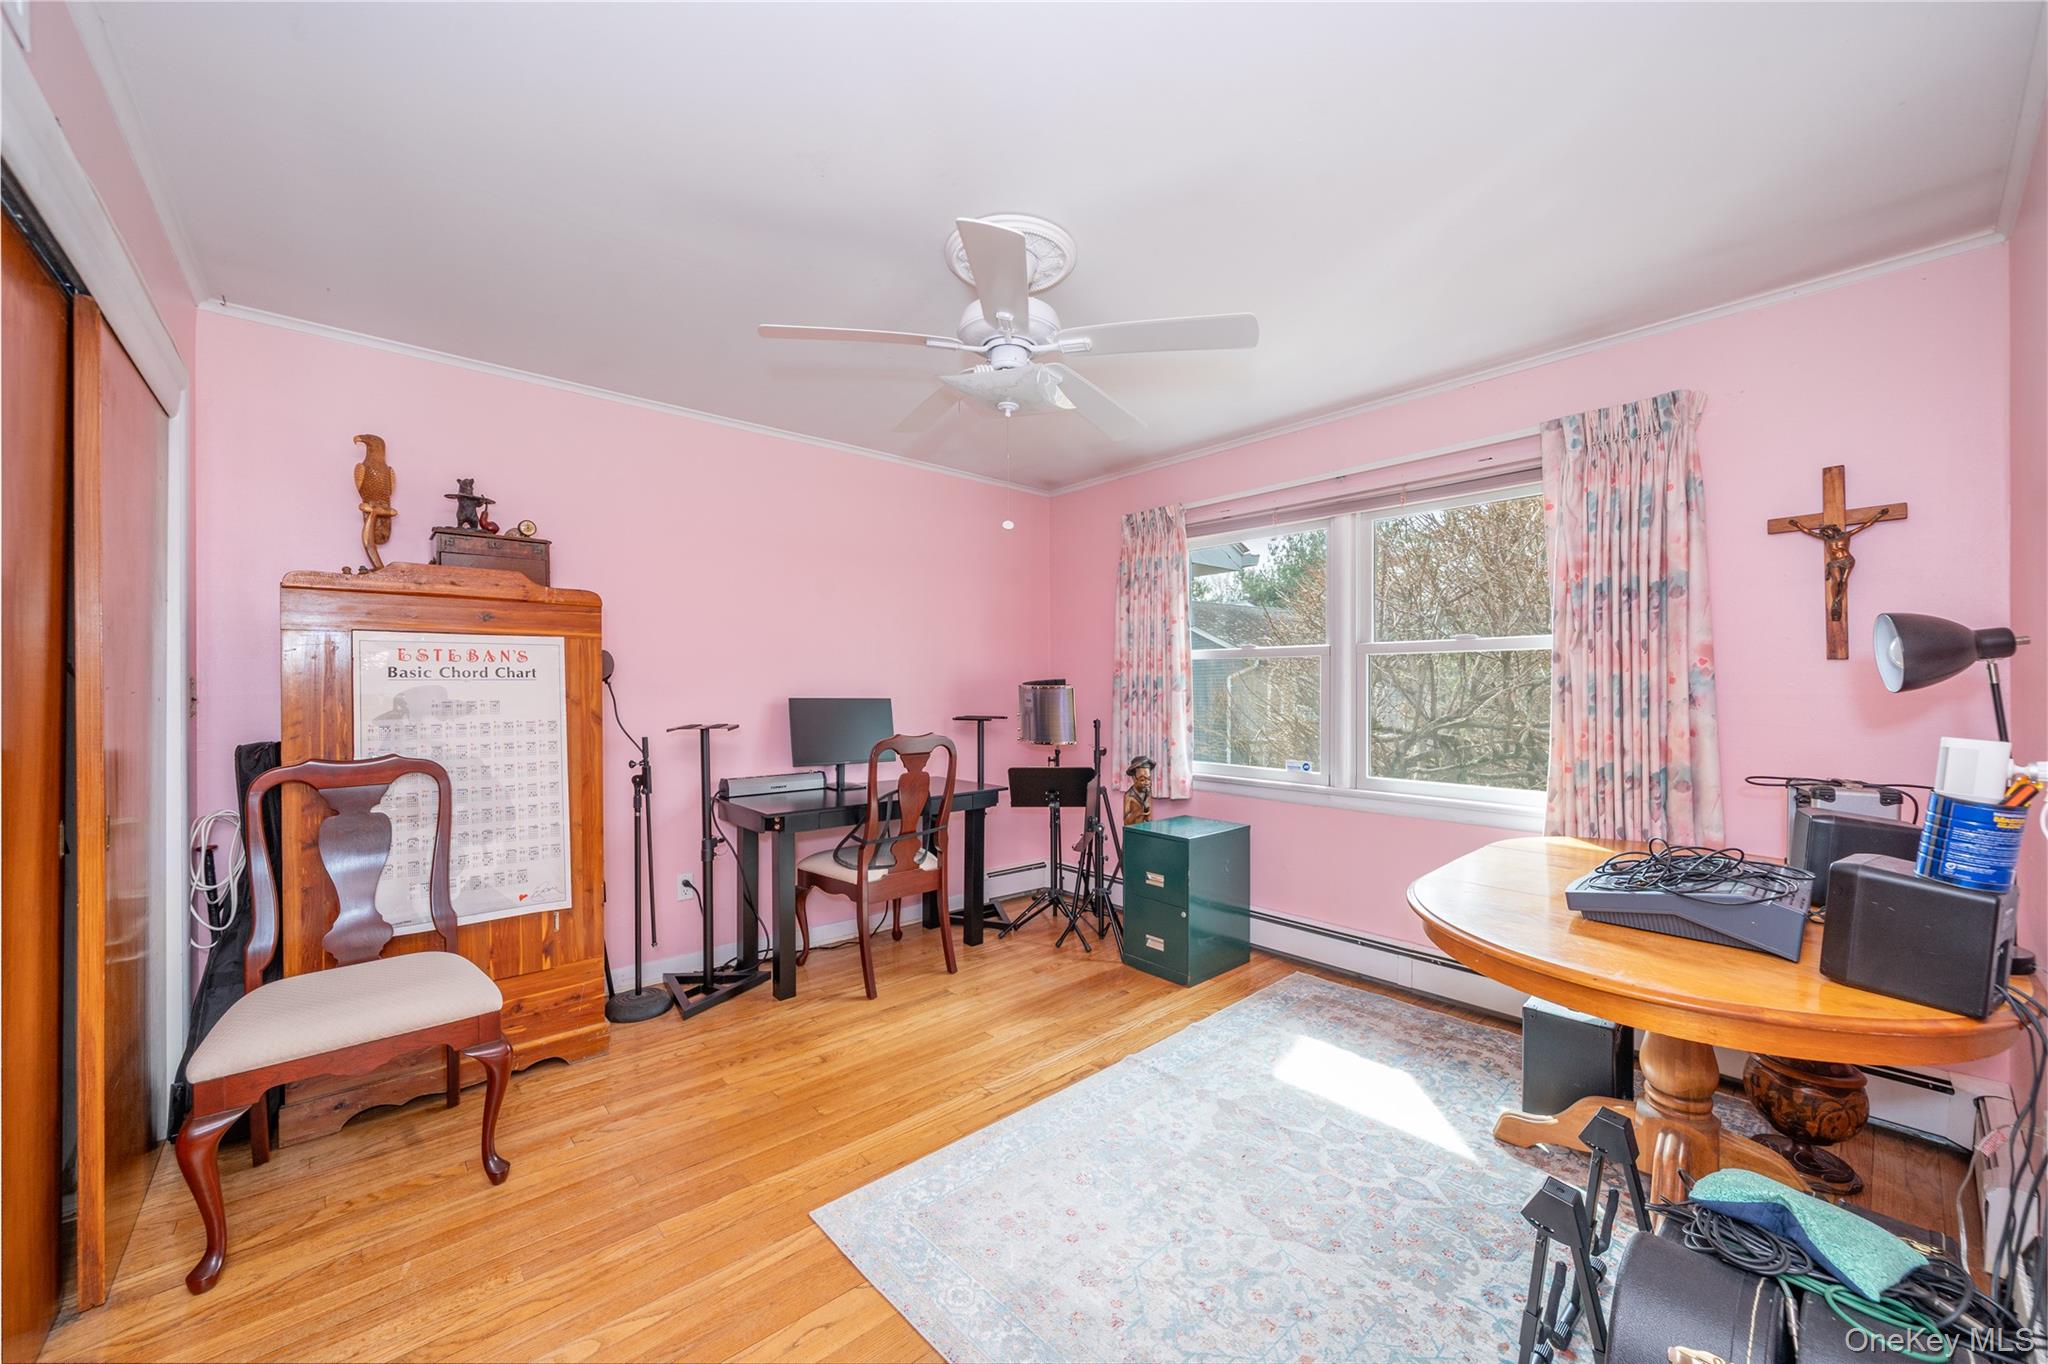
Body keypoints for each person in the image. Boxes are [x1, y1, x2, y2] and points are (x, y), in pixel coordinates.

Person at [1123, 756, 1155, 826]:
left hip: (1145, 828)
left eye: (1149, 779)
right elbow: (1126, 821)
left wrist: (1148, 817)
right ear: (1134, 778)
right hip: (1133, 829)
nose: (1147, 783)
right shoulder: (1129, 796)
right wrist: (1136, 813)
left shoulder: (1148, 792)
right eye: (1142, 780)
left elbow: (1149, 817)